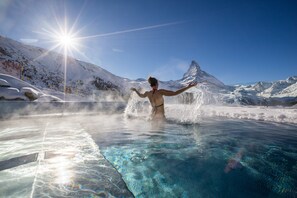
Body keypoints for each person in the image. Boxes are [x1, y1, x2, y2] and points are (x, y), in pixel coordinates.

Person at [130, 76, 197, 120]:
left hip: (152, 116)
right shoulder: (160, 92)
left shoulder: (148, 93)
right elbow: (175, 93)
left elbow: (141, 96)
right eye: (157, 84)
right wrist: (188, 87)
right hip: (160, 117)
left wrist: (135, 90)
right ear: (156, 84)